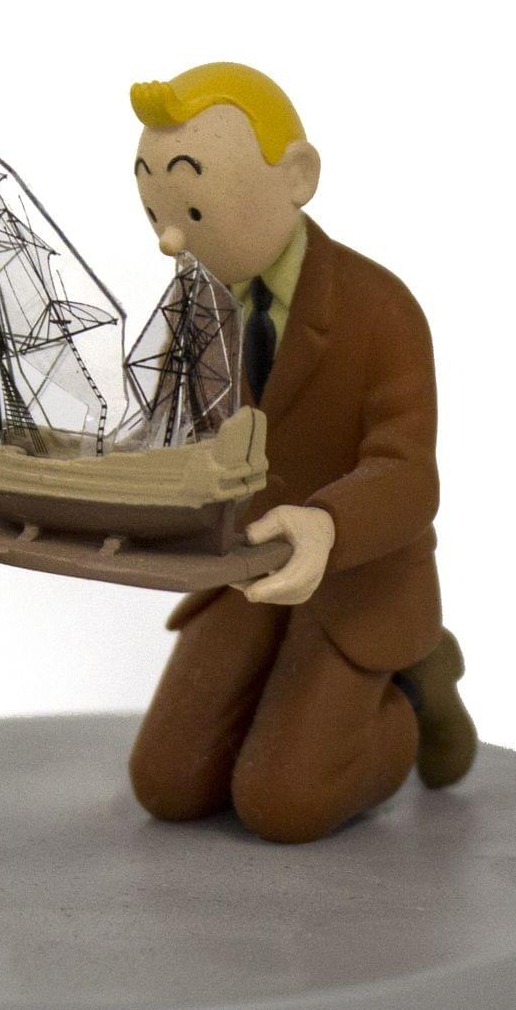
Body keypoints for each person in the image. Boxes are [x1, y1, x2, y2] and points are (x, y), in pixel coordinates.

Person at [124, 61, 475, 843]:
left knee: (285, 801)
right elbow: (179, 432)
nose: (171, 239)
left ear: (298, 177)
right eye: (155, 213)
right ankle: (289, 702)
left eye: (191, 210)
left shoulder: (379, 309)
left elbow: (408, 473)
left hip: (356, 577)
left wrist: (328, 525)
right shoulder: (198, 313)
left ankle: (411, 693)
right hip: (244, 571)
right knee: (168, 782)